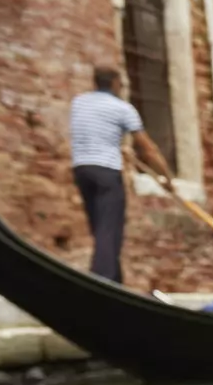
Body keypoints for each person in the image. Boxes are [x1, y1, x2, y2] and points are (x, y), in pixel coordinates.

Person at [69, 65, 173, 285]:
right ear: (116, 83)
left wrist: (117, 146)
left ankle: (116, 282)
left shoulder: (78, 103)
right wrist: (167, 177)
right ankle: (101, 282)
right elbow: (147, 149)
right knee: (109, 230)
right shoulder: (123, 109)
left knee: (100, 229)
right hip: (107, 172)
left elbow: (93, 133)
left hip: (82, 170)